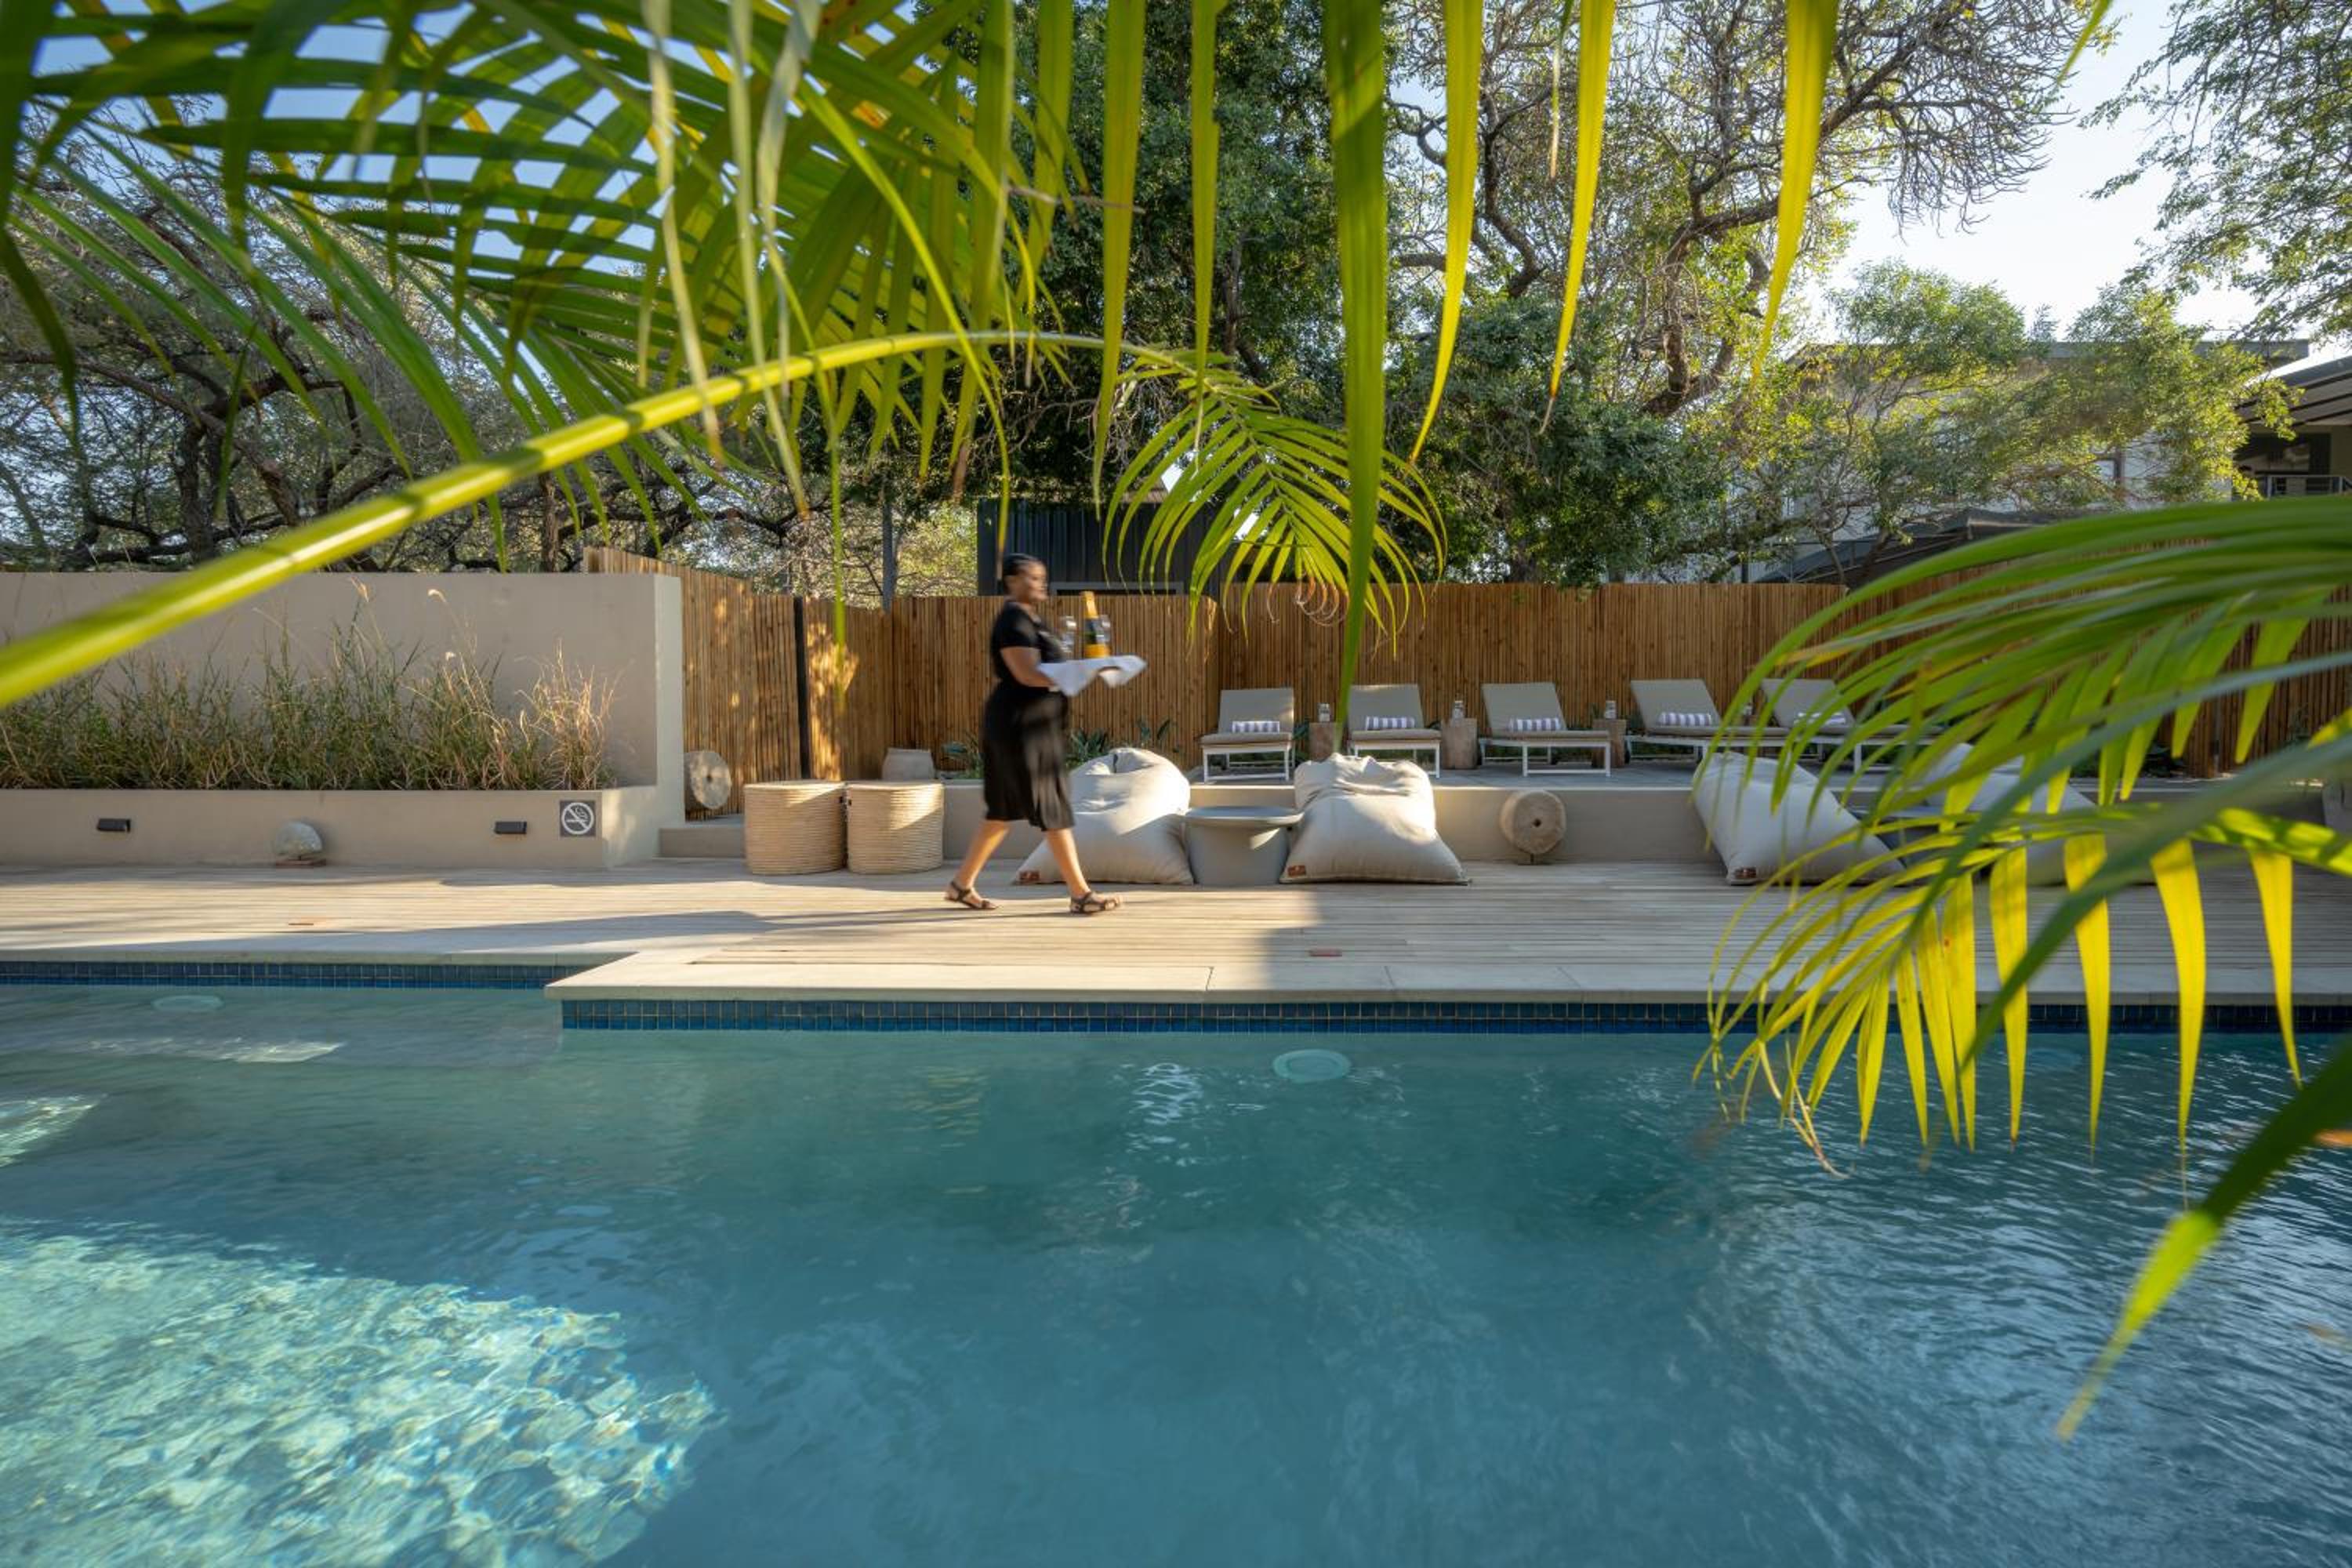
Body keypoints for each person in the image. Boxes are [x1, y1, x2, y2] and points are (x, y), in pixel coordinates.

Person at [945, 554, 1122, 915]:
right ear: (1012, 581)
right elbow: (1027, 674)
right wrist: (1080, 672)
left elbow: (1053, 669)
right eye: (1033, 577)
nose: (1041, 582)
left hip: (1033, 727)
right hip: (1020, 729)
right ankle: (1081, 895)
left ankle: (961, 885)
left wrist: (1087, 668)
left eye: (1043, 576)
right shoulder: (1013, 621)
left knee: (1002, 811)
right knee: (1051, 807)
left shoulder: (1032, 620)